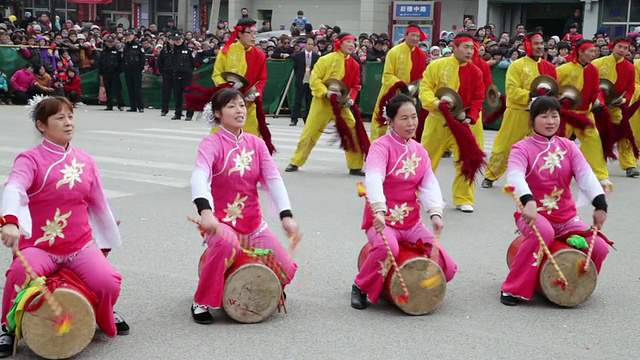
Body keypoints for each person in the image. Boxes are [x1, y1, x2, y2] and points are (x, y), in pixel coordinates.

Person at [0, 97, 129, 358]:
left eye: (70, 116)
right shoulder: (30, 160)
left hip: (79, 245)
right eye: (59, 118)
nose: (68, 122)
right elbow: (13, 187)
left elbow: (98, 202)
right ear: (41, 125)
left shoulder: (86, 161)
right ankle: (8, 326)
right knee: (19, 275)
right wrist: (10, 221)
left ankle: (101, 311)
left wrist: (106, 228)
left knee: (108, 283)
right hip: (40, 247)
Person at [190, 89, 299, 323]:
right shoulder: (212, 144)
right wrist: (205, 212)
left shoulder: (256, 144)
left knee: (286, 271)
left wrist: (286, 215)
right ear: (218, 113)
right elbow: (200, 176)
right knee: (225, 246)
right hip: (220, 224)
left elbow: (273, 180)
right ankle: (201, 301)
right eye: (231, 106)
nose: (239, 110)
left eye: (241, 105)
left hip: (253, 225)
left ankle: (256, 279)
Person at [500, 96, 609, 306]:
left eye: (554, 115)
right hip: (533, 214)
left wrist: (600, 204)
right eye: (544, 116)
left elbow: (585, 175)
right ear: (532, 120)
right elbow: (515, 176)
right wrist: (528, 201)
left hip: (566, 217)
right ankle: (512, 288)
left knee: (600, 248)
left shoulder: (568, 146)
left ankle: (578, 284)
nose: (550, 121)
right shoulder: (521, 148)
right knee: (544, 231)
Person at [350, 94, 457, 309]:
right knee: (388, 247)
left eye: (414, 117)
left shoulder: (419, 150)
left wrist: (435, 213)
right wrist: (379, 210)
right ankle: (360, 286)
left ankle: (417, 286)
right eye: (404, 118)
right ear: (390, 121)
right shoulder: (381, 147)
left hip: (411, 222)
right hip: (382, 220)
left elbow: (428, 184)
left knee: (448, 266)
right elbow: (373, 179)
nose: (411, 123)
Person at [285, 33, 369, 176]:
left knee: (352, 130)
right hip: (322, 103)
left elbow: (355, 85)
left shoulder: (354, 64)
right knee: (310, 132)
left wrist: (351, 99)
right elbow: (315, 79)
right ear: (339, 43)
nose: (351, 45)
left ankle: (355, 166)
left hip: (341, 104)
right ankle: (295, 161)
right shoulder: (325, 60)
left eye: (353, 42)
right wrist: (325, 92)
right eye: (348, 42)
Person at [419, 32, 485, 213]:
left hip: (463, 124)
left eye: (472, 48)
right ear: (453, 48)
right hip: (437, 121)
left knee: (465, 159)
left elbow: (479, 98)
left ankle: (464, 198)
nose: (470, 51)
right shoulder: (437, 66)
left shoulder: (476, 72)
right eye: (466, 47)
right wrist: (436, 104)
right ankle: (418, 191)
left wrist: (471, 117)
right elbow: (425, 89)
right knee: (426, 158)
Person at [482, 32, 557, 188]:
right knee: (504, 146)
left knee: (540, 147)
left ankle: (535, 179)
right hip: (518, 112)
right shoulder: (517, 66)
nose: (540, 47)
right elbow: (512, 91)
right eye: (536, 43)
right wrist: (531, 95)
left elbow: (555, 89)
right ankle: (491, 175)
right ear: (527, 45)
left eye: (541, 44)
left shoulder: (548, 67)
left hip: (540, 115)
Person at [557, 40, 613, 188]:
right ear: (580, 52)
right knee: (558, 144)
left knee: (593, 141)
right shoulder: (564, 69)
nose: (593, 54)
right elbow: (553, 88)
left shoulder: (594, 70)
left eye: (595, 51)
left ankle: (601, 175)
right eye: (590, 51)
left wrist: (599, 102)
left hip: (584, 114)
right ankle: (551, 173)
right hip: (565, 114)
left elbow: (596, 91)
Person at [210, 18, 268, 139]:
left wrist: (256, 93)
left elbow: (262, 79)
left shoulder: (260, 55)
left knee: (251, 140)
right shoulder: (226, 51)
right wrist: (227, 87)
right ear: (240, 33)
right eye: (250, 32)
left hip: (248, 105)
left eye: (255, 33)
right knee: (221, 139)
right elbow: (217, 74)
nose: (253, 36)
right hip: (227, 103)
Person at [369, 24, 427, 141]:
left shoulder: (421, 54)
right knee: (381, 121)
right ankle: (375, 147)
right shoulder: (394, 52)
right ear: (406, 36)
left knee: (407, 121)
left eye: (417, 36)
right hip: (391, 92)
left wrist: (416, 88)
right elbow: (387, 75)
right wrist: (399, 84)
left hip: (410, 94)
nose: (415, 38)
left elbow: (422, 75)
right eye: (413, 35)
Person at [592, 37, 639, 178]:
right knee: (595, 135)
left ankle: (629, 165)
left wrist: (625, 99)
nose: (622, 50)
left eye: (626, 48)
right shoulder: (598, 63)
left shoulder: (630, 67)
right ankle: (593, 164)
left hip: (615, 106)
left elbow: (630, 88)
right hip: (596, 106)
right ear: (613, 46)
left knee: (623, 132)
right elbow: (590, 82)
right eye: (620, 47)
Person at [289, 38, 319, 126]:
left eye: (312, 44)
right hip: (301, 80)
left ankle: (307, 118)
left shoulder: (316, 56)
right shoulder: (298, 56)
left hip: (311, 81)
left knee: (309, 101)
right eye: (308, 44)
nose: (310, 46)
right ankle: (294, 119)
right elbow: (296, 68)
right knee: (297, 100)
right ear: (305, 45)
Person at [170, 33, 196, 121]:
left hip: (187, 75)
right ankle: (178, 113)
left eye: (179, 39)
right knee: (177, 95)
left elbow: (193, 63)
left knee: (188, 95)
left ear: (183, 40)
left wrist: (189, 70)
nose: (177, 41)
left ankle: (189, 114)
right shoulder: (172, 51)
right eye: (175, 40)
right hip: (176, 75)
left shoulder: (188, 50)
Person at [98, 35, 125, 112]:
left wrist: (118, 71)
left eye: (111, 42)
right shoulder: (103, 52)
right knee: (108, 89)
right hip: (106, 72)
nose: (110, 43)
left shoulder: (117, 52)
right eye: (108, 42)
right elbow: (100, 62)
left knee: (117, 89)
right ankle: (109, 105)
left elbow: (121, 62)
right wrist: (101, 72)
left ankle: (120, 104)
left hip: (115, 73)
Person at [123, 31, 145, 113]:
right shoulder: (126, 46)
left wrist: (140, 67)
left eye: (129, 35)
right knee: (130, 88)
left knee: (137, 89)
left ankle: (140, 106)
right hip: (128, 70)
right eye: (126, 36)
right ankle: (133, 106)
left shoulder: (138, 45)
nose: (128, 37)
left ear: (133, 36)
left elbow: (142, 57)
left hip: (136, 70)